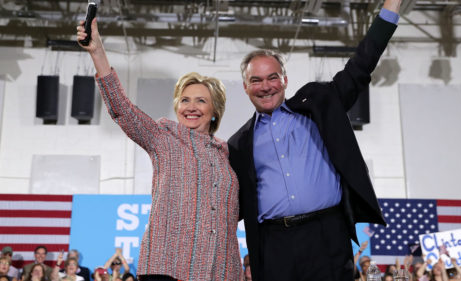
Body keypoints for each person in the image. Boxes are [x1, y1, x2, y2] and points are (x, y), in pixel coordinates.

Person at [227, 0, 401, 279]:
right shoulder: (238, 144)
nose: (265, 86)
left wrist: (390, 7)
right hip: (274, 245)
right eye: (256, 80)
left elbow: (361, 66)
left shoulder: (318, 105)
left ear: (284, 79)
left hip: (327, 235)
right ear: (245, 86)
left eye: (272, 77)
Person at [76, 18, 243, 281]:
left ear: (215, 112)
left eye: (201, 100)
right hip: (168, 266)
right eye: (184, 100)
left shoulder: (228, 155)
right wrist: (97, 51)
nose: (191, 106)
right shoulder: (163, 138)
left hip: (220, 270)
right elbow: (123, 109)